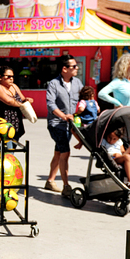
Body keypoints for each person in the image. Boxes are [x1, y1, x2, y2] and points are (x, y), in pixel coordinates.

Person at [45, 55, 82, 195]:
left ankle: (50, 181)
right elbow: (51, 104)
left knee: (59, 152)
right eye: (74, 66)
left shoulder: (77, 82)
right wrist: (63, 116)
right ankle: (66, 186)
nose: (77, 68)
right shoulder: (53, 84)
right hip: (56, 124)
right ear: (64, 69)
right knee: (65, 153)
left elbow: (84, 96)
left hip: (70, 124)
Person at [0, 65, 34, 141]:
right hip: (1, 127)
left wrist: (27, 100)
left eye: (12, 76)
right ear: (0, 77)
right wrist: (22, 105)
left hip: (16, 125)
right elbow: (9, 101)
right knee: (7, 150)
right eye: (8, 76)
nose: (11, 78)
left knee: (11, 150)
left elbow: (22, 99)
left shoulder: (14, 86)